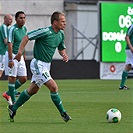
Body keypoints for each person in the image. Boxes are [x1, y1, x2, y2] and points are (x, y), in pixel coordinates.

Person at [7, 11, 71, 123]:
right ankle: (63, 112)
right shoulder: (45, 31)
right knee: (54, 87)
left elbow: (61, 48)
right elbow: (26, 37)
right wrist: (19, 52)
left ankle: (13, 108)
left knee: (33, 90)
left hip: (47, 65)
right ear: (55, 22)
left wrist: (63, 54)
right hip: (38, 63)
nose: (65, 24)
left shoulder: (61, 34)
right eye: (63, 21)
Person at [3, 11, 27, 105]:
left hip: (19, 56)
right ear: (16, 19)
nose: (23, 20)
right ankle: (13, 101)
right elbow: (10, 44)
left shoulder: (24, 29)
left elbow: (23, 43)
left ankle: (8, 93)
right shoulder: (13, 29)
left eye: (24, 18)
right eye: (20, 18)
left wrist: (23, 54)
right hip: (12, 55)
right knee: (12, 78)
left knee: (23, 78)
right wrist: (10, 59)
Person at [119, 25, 133, 90]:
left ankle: (122, 85)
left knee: (128, 66)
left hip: (129, 49)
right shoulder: (132, 26)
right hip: (130, 49)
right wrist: (131, 47)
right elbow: (127, 37)